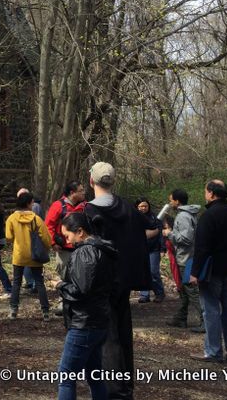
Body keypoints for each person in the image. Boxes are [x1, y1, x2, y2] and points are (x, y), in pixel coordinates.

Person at [83, 162, 153, 400]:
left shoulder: (89, 212)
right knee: (123, 333)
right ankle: (126, 385)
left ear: (91, 181)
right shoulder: (128, 207)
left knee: (107, 336)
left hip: (102, 281)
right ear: (112, 181)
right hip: (124, 279)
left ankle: (114, 391)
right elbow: (144, 235)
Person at [56, 212, 118, 400]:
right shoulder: (104, 250)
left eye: (68, 235)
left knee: (66, 376)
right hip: (100, 319)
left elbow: (82, 290)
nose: (67, 240)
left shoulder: (85, 252)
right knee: (94, 374)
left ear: (80, 232)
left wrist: (60, 285)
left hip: (85, 322)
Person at [189, 179, 227, 364]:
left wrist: (195, 272)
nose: (205, 194)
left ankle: (213, 352)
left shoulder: (209, 216)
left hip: (211, 271)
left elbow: (202, 248)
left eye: (206, 191)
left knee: (211, 310)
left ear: (212, 193)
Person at [5, 191, 52, 320]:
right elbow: (47, 238)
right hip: (34, 255)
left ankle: (13, 311)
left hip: (19, 255)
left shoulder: (12, 218)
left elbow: (8, 237)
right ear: (28, 203)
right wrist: (46, 249)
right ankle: (45, 312)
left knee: (17, 283)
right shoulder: (36, 219)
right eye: (32, 202)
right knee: (39, 283)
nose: (33, 204)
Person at [161, 189, 203, 331]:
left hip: (186, 259)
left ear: (177, 201)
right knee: (184, 290)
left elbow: (186, 239)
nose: (170, 203)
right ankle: (181, 318)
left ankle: (206, 320)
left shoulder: (183, 216)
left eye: (171, 200)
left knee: (191, 290)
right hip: (186, 257)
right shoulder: (186, 214)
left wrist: (169, 233)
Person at [44, 181, 86, 313]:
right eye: (80, 190)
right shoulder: (58, 206)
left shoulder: (85, 206)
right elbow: (48, 225)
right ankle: (64, 302)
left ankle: (79, 302)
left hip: (81, 247)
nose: (83, 192)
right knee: (64, 275)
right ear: (72, 193)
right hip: (63, 249)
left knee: (80, 275)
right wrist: (53, 243)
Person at [136, 198, 165, 304]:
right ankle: (144, 295)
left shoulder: (155, 218)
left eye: (145, 206)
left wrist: (162, 248)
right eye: (140, 206)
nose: (143, 208)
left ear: (148, 207)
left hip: (154, 249)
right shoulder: (134, 218)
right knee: (143, 272)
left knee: (153, 272)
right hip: (140, 250)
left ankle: (159, 293)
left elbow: (160, 233)